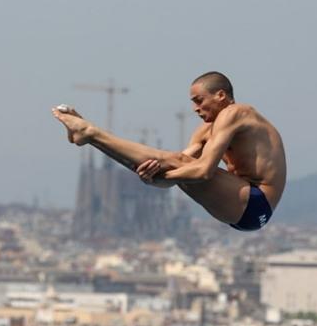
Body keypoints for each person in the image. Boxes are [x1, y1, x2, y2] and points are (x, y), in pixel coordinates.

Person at [52, 71, 286, 231]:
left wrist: (165, 174)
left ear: (221, 96)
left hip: (257, 203)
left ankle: (91, 133)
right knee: (176, 161)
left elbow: (202, 172)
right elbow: (177, 170)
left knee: (177, 162)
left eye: (199, 100)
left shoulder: (236, 113)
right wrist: (151, 179)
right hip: (242, 206)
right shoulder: (206, 131)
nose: (195, 108)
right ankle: (90, 137)